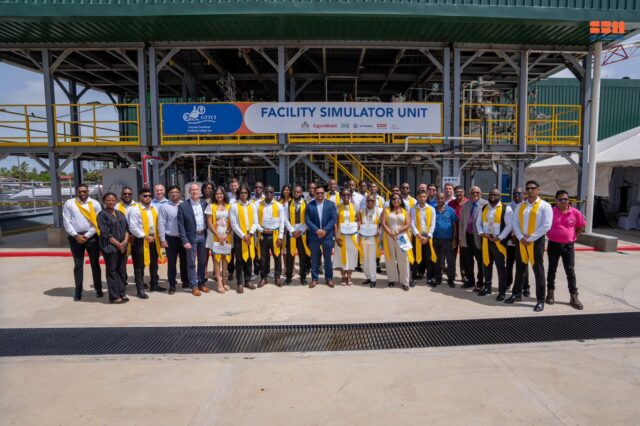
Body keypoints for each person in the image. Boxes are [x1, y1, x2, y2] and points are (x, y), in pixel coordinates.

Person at [506, 180, 553, 312]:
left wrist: (531, 238)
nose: (530, 190)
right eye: (528, 188)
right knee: (520, 269)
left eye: (533, 188)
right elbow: (515, 222)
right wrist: (521, 237)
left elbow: (546, 225)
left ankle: (540, 300)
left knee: (538, 271)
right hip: (522, 241)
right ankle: (516, 294)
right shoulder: (521, 205)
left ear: (538, 189)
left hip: (536, 241)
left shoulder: (545, 206)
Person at [545, 190, 586, 310]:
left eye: (566, 199)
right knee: (552, 269)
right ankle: (550, 292)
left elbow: (580, 227)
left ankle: (574, 296)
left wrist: (573, 238)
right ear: (556, 200)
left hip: (568, 246)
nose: (563, 201)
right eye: (560, 199)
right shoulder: (551, 212)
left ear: (569, 200)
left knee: (570, 271)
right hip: (553, 245)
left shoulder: (575, 212)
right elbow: (545, 226)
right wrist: (550, 234)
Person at [62, 183, 103, 301]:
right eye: (80, 191)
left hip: (92, 237)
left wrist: (87, 235)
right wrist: (75, 235)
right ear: (76, 192)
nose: (82, 193)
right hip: (75, 238)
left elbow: (97, 222)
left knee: (95, 264)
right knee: (78, 265)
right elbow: (66, 221)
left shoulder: (95, 204)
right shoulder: (69, 203)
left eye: (85, 191)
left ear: (88, 192)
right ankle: (78, 291)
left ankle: (98, 289)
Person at [476, 188, 513, 299]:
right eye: (491, 194)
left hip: (499, 242)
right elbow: (478, 222)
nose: (493, 196)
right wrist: (481, 233)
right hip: (486, 240)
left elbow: (509, 225)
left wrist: (500, 237)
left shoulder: (506, 208)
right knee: (486, 264)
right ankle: (487, 287)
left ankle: (502, 291)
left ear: (500, 196)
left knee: (500, 267)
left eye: (495, 194)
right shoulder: (483, 208)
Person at [128, 187, 165, 298]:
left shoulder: (154, 208)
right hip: (140, 240)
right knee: (140, 266)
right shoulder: (135, 209)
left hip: (153, 239)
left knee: (154, 264)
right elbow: (133, 227)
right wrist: (145, 236)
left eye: (149, 196)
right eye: (145, 196)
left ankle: (154, 284)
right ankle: (140, 290)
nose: (147, 198)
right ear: (140, 197)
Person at [178, 183, 210, 297]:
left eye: (196, 190)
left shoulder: (204, 203)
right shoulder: (183, 206)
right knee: (191, 262)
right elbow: (180, 224)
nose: (195, 192)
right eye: (192, 190)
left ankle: (201, 283)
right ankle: (194, 285)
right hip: (191, 237)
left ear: (199, 191)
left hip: (203, 236)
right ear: (189, 192)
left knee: (202, 261)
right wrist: (184, 240)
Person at [97, 192, 129, 304]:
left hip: (123, 246)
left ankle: (122, 293)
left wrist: (124, 242)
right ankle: (114, 296)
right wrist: (118, 244)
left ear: (116, 201)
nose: (111, 202)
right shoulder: (101, 215)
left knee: (121, 270)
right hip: (110, 247)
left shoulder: (120, 213)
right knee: (112, 271)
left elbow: (126, 229)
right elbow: (106, 233)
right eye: (108, 200)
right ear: (104, 201)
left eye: (113, 200)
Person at [305, 185, 338, 288]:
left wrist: (324, 230)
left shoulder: (331, 205)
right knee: (314, 258)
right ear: (314, 194)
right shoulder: (309, 205)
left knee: (327, 258)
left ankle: (329, 278)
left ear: (324, 193)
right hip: (314, 235)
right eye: (317, 193)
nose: (319, 194)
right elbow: (307, 220)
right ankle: (314, 279)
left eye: (321, 193)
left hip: (327, 235)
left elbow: (333, 219)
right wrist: (317, 230)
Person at [158, 185, 189, 294]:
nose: (174, 194)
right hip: (170, 238)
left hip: (183, 238)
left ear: (180, 194)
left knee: (185, 261)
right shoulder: (164, 207)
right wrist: (162, 239)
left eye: (176, 192)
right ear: (169, 194)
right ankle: (172, 285)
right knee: (171, 263)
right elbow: (161, 223)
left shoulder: (185, 205)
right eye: (172, 192)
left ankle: (185, 281)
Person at [230, 185, 259, 293]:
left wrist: (250, 234)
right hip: (239, 236)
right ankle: (239, 283)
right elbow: (234, 224)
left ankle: (247, 281)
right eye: (241, 193)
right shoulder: (234, 207)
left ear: (248, 194)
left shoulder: (252, 206)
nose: (243, 195)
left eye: (245, 193)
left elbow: (256, 222)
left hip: (250, 235)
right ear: (238, 194)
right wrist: (243, 236)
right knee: (239, 260)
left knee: (249, 258)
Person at [458, 186, 487, 290]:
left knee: (480, 261)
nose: (475, 194)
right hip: (467, 236)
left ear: (481, 193)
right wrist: (461, 238)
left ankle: (480, 283)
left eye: (477, 192)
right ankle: (470, 281)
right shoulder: (465, 205)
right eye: (473, 192)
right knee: (468, 261)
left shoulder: (486, 204)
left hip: (479, 237)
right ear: (469, 194)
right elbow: (461, 223)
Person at [382, 193, 413, 291]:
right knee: (390, 258)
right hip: (388, 236)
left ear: (401, 200)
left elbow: (408, 224)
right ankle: (392, 279)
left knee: (404, 259)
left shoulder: (405, 211)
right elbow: (383, 224)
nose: (396, 200)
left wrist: (397, 231)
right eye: (393, 198)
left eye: (398, 198)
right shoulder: (386, 211)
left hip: (402, 236)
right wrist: (391, 233)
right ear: (390, 200)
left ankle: (405, 282)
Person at [256, 185, 285, 287]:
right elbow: (255, 222)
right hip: (263, 235)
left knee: (277, 257)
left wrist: (280, 237)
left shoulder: (279, 206)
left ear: (274, 193)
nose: (268, 194)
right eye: (267, 192)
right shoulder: (258, 205)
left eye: (271, 192)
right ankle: (264, 278)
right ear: (264, 192)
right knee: (263, 258)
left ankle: (277, 278)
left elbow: (282, 222)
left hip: (275, 235)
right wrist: (262, 230)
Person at [205, 186, 232, 294]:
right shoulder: (210, 206)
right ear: (214, 196)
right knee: (216, 260)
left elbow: (232, 222)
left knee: (225, 259)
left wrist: (225, 234)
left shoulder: (229, 206)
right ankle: (219, 282)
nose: (219, 196)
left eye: (221, 194)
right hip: (214, 236)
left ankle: (225, 280)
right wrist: (218, 235)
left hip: (226, 236)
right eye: (217, 194)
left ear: (224, 194)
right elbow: (209, 223)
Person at [285, 185, 311, 285]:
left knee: (302, 256)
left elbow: (308, 219)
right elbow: (285, 219)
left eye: (299, 192)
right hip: (291, 234)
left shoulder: (306, 203)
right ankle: (288, 277)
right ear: (293, 192)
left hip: (302, 234)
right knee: (290, 256)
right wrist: (292, 231)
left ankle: (303, 277)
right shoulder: (287, 204)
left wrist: (300, 230)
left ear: (302, 193)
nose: (297, 193)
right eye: (295, 192)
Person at [334, 189, 361, 285]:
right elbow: (335, 223)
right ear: (341, 196)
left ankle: (349, 276)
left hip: (352, 236)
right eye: (344, 194)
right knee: (341, 255)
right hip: (341, 235)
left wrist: (356, 228)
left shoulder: (355, 207)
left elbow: (359, 220)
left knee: (351, 255)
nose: (346, 196)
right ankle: (343, 277)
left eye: (348, 194)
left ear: (350, 196)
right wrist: (336, 236)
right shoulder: (338, 208)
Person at [506, 187, 530, 296]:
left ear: (523, 194)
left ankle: (526, 287)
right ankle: (508, 283)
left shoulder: (527, 206)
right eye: (515, 193)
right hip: (511, 241)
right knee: (509, 264)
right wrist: (511, 235)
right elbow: (507, 223)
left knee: (524, 265)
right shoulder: (508, 206)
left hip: (523, 240)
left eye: (519, 193)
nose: (517, 195)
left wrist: (520, 236)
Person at [410, 190, 436, 286]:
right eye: (420, 197)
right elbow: (412, 224)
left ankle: (429, 278)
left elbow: (433, 224)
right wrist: (418, 235)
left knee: (429, 258)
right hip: (417, 236)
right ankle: (414, 277)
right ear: (417, 197)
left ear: (427, 197)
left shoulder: (431, 209)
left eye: (424, 196)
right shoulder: (413, 209)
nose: (422, 198)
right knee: (415, 258)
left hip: (428, 237)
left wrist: (428, 236)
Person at [432, 192, 458, 287]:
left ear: (444, 199)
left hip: (448, 239)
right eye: (438, 198)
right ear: (436, 199)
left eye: (442, 198)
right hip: (436, 239)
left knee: (450, 260)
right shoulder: (432, 210)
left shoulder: (450, 210)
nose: (440, 200)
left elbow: (454, 225)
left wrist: (454, 239)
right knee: (438, 260)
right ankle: (438, 278)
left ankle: (450, 279)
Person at [360, 194, 383, 288]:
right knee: (365, 259)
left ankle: (373, 279)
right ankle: (368, 276)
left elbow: (382, 224)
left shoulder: (380, 211)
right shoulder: (362, 211)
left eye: (372, 201)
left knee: (372, 259)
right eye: (368, 200)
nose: (370, 202)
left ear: (375, 201)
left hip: (374, 238)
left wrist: (379, 231)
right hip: (364, 238)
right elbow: (359, 222)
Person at [449, 185, 469, 283]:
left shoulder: (468, 202)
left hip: (465, 234)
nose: (458, 194)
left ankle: (464, 275)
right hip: (453, 233)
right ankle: (451, 274)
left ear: (464, 192)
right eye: (456, 192)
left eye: (460, 192)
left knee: (464, 256)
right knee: (452, 255)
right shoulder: (451, 203)